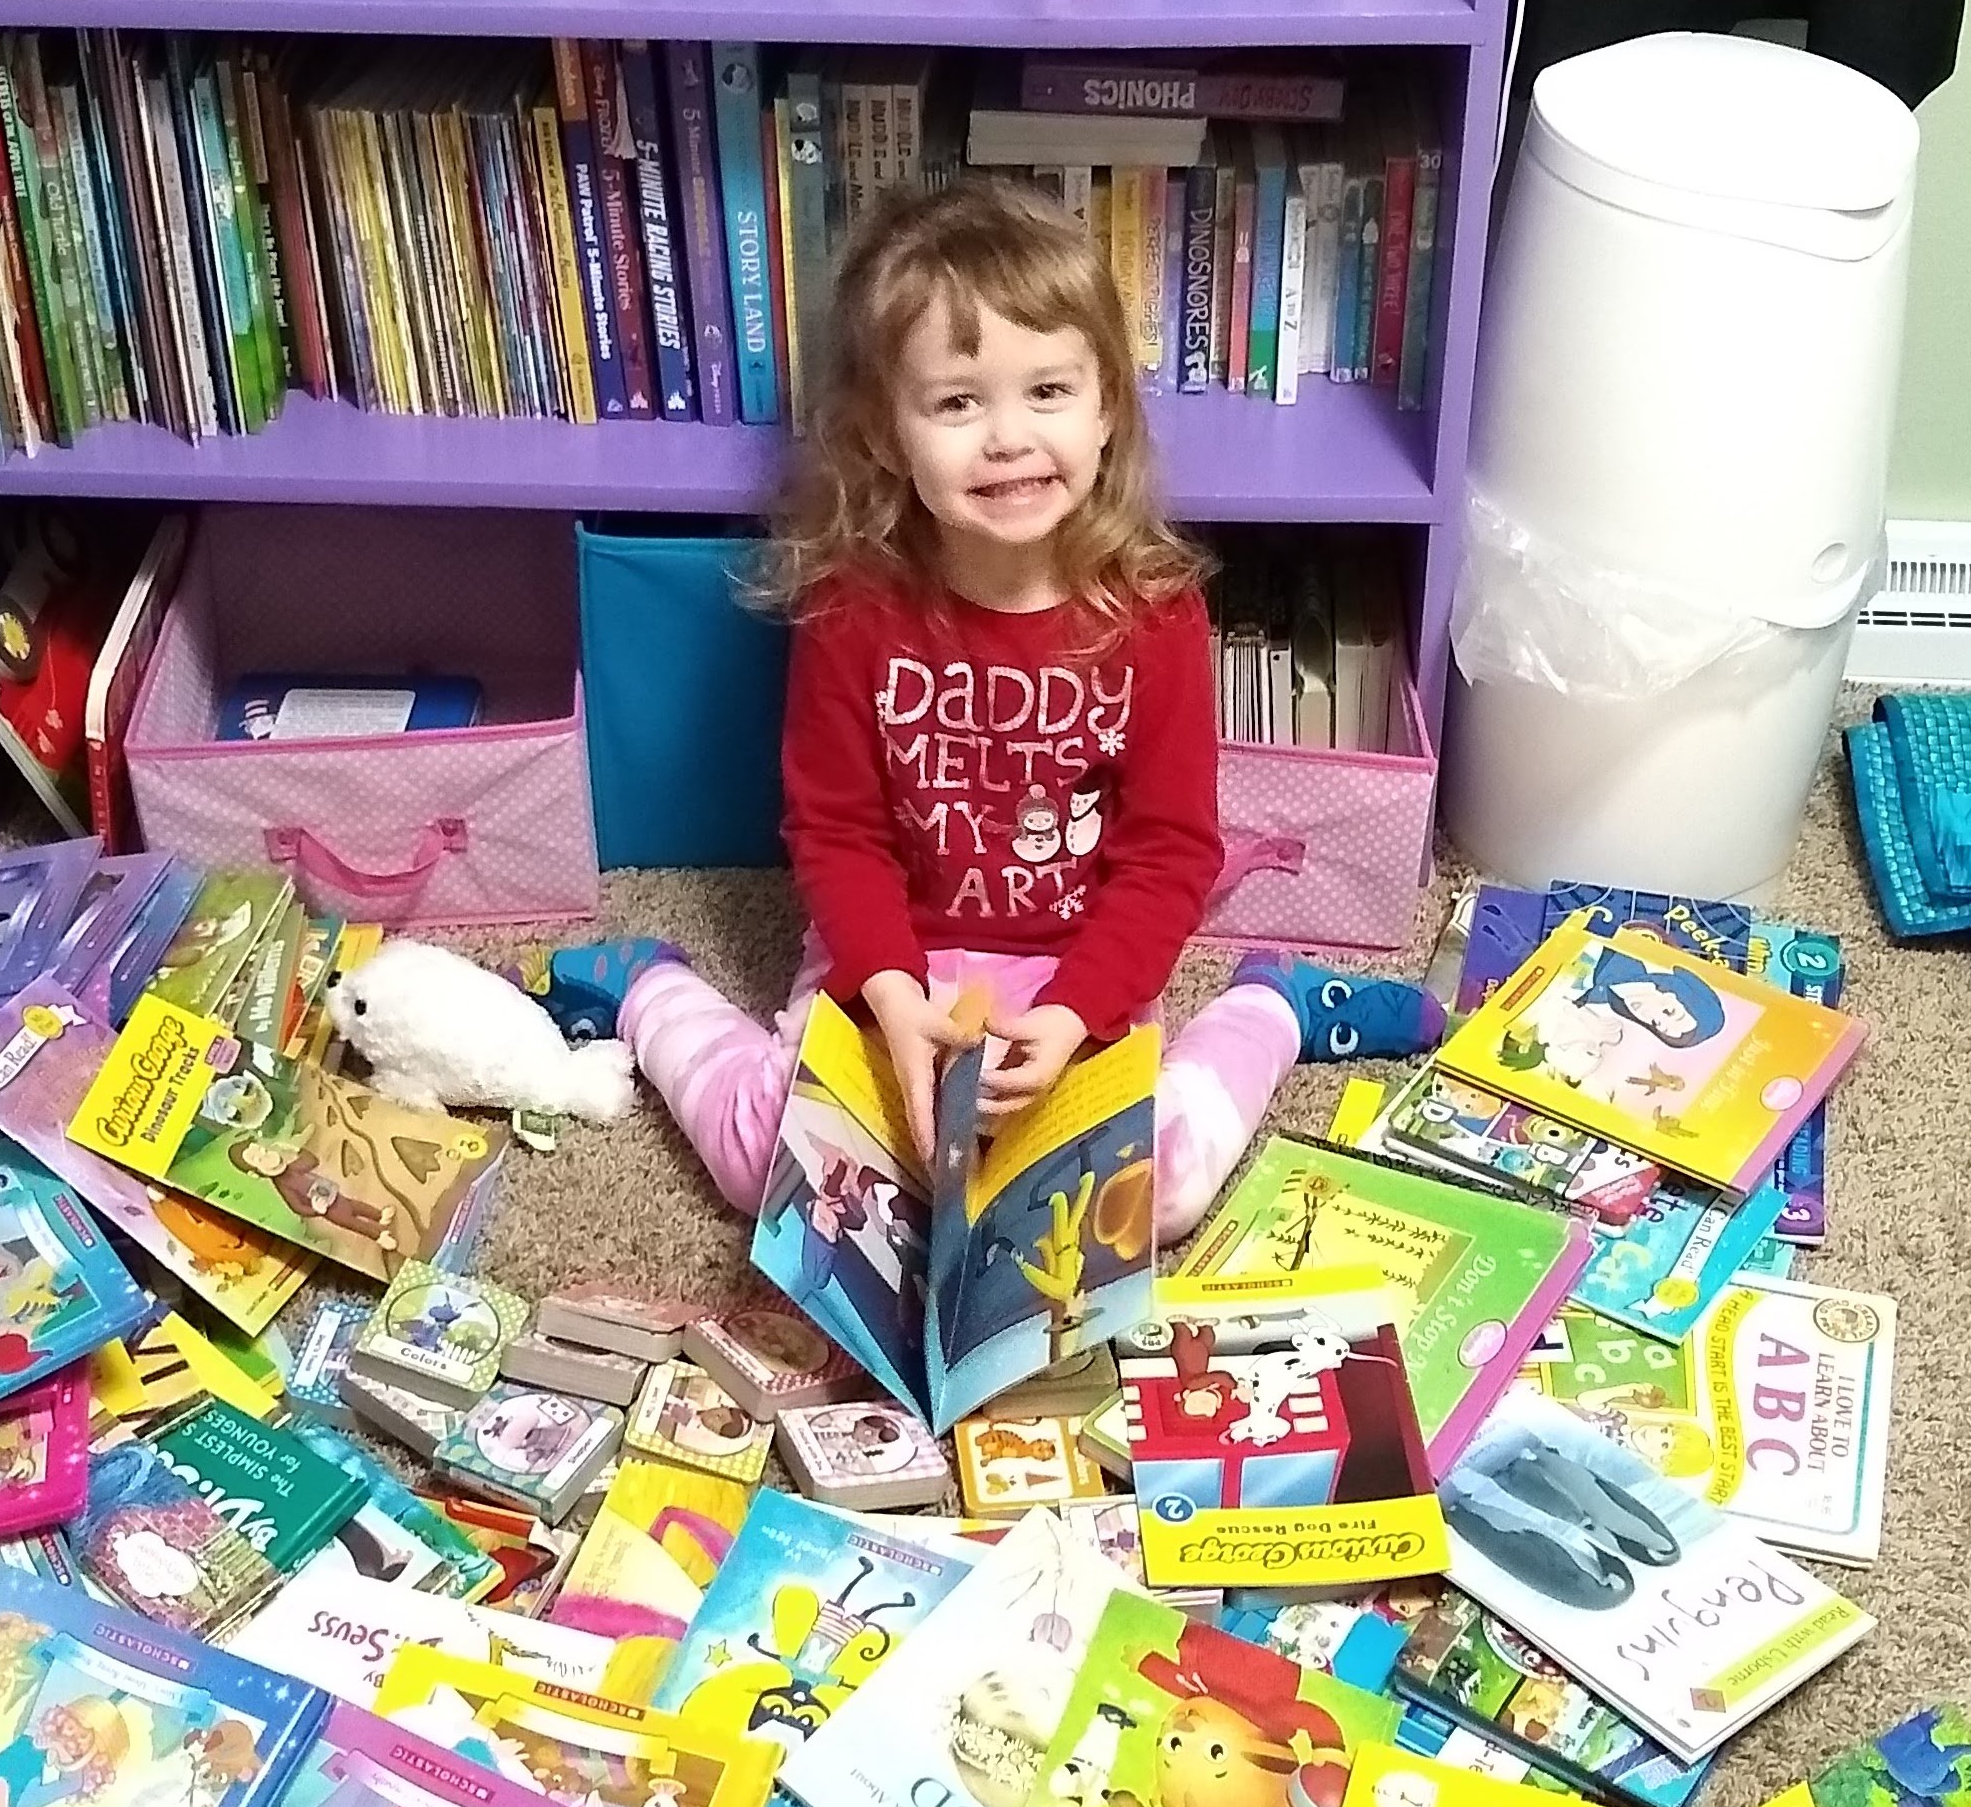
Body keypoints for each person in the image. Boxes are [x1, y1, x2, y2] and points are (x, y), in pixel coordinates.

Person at [538, 181, 1440, 1245]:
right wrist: (888, 988)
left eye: (1047, 390)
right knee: (778, 1175)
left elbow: (1167, 855)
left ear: (1108, 407)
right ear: (884, 434)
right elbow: (836, 832)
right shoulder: (854, 607)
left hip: (1074, 968)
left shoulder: (1151, 614)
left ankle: (1271, 1007)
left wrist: (1072, 1015)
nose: (1008, 438)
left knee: (1151, 1198)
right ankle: (651, 990)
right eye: (958, 402)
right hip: (887, 957)